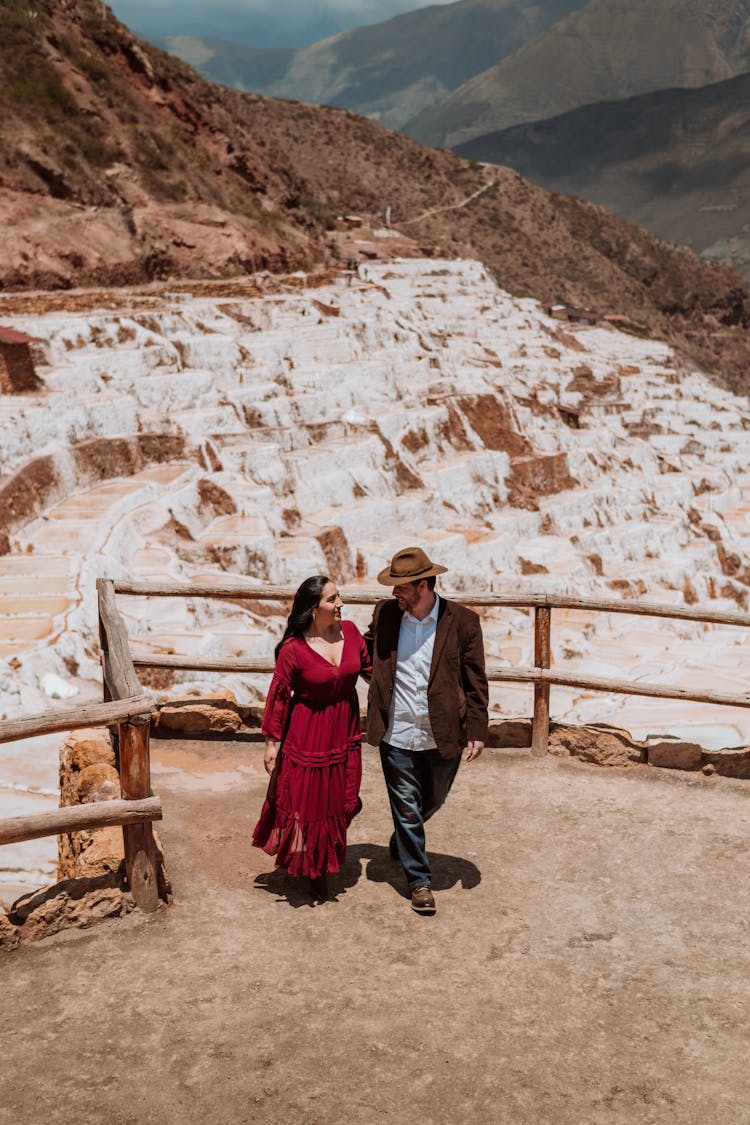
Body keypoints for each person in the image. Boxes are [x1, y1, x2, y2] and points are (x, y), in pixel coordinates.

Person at [365, 546, 488, 915]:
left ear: (422, 584)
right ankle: (419, 880)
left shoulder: (463, 622)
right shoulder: (387, 615)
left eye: (401, 587)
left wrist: (478, 729)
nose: (394, 593)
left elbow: (475, 679)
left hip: (442, 730)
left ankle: (404, 839)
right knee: (406, 807)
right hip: (397, 729)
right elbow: (368, 650)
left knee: (432, 799)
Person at [253, 575, 372, 900]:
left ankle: (321, 854)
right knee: (307, 803)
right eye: (332, 599)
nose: (340, 604)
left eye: (339, 597)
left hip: (344, 728)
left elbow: (372, 670)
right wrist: (271, 742)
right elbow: (278, 695)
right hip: (307, 731)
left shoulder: (349, 632)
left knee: (342, 797)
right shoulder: (293, 649)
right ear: (312, 609)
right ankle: (313, 866)